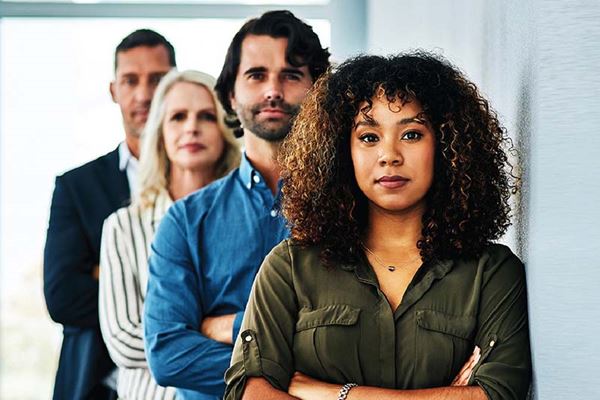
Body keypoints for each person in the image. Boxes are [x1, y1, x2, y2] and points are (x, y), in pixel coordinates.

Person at [224, 52, 531, 400]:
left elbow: (498, 395)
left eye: (412, 134)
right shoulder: (290, 266)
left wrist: (333, 394)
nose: (389, 155)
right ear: (342, 150)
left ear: (446, 145)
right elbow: (250, 392)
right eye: (369, 137)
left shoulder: (491, 273)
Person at [143, 10, 330, 400]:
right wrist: (289, 379)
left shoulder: (348, 208)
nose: (273, 90)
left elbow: (349, 344)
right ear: (231, 94)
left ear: (317, 90)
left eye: (291, 75)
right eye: (257, 75)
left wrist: (226, 327)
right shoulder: (186, 220)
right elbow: (168, 356)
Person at [43, 29, 175, 399]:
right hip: (94, 386)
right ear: (114, 90)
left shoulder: (205, 181)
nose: (144, 94)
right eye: (130, 80)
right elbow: (63, 296)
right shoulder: (76, 186)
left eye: (158, 80)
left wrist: (112, 271)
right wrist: (180, 301)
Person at [99, 69, 240, 400]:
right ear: (160, 133)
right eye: (178, 117)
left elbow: (271, 321)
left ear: (225, 130)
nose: (192, 127)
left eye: (207, 116)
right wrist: (215, 330)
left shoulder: (251, 218)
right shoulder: (122, 226)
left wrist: (177, 332)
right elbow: (123, 340)